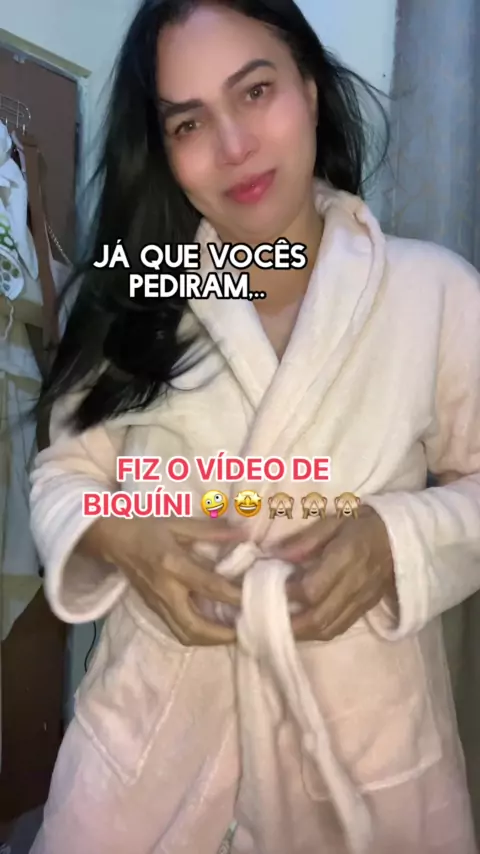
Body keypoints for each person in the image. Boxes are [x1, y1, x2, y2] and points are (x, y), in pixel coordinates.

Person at [27, 0, 480, 852]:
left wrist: (397, 539)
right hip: (145, 770)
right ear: (164, 151)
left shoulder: (437, 294)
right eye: (190, 122)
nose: (233, 146)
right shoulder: (135, 298)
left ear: (309, 88)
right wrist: (114, 531)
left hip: (364, 768)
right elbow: (63, 472)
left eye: (256, 91)